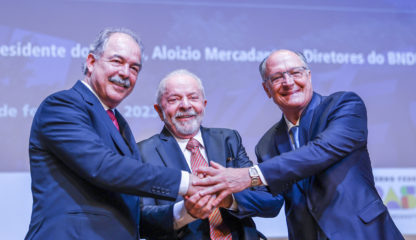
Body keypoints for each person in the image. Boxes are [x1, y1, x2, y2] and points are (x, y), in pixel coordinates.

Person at [194, 50, 404, 239]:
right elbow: (271, 201)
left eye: (295, 73)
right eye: (277, 77)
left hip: (364, 233)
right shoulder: (267, 145)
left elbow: (320, 152)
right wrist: (226, 197)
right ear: (267, 89)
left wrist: (248, 176)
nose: (288, 82)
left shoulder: (343, 106)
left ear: (309, 76)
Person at [25, 28, 200, 240]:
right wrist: (187, 182)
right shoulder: (62, 106)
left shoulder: (120, 124)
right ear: (91, 62)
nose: (126, 73)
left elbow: (126, 215)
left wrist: (186, 212)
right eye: (117, 61)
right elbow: (103, 166)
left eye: (134, 68)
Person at [137, 69, 283, 240]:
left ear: (204, 105)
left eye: (193, 97)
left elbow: (270, 203)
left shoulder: (228, 140)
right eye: (174, 99)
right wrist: (185, 211)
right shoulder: (142, 152)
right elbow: (141, 219)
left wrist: (229, 200)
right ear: (159, 110)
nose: (185, 105)